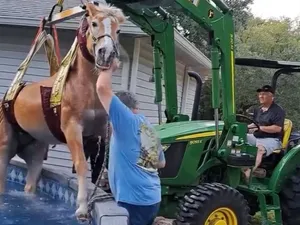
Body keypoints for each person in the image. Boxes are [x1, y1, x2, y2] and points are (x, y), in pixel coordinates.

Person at [96, 60, 166, 225]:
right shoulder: (146, 126)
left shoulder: (126, 121)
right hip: (150, 199)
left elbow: (102, 88)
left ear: (122, 109)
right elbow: (161, 163)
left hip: (134, 202)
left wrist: (109, 67)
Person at [243, 85, 285, 181]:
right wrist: (244, 128)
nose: (261, 96)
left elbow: (277, 128)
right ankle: (240, 167)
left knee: (260, 149)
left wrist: (260, 128)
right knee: (237, 138)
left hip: (272, 139)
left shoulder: (278, 111)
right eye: (260, 94)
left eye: (264, 94)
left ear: (272, 97)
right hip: (257, 137)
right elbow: (254, 124)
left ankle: (248, 173)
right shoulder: (258, 110)